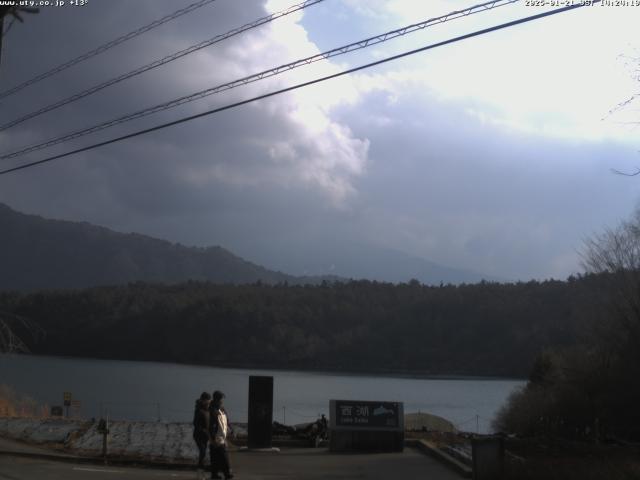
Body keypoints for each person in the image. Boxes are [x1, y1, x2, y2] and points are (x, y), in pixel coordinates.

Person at [209, 390, 233, 480]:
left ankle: (215, 475)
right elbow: (211, 424)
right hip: (216, 436)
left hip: (221, 435)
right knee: (223, 455)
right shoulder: (212, 409)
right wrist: (212, 436)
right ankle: (227, 474)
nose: (223, 401)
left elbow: (226, 420)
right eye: (222, 399)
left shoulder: (221, 408)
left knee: (216, 456)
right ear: (217, 399)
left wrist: (230, 429)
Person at [193, 392, 212, 479]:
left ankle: (200, 472)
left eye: (209, 400)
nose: (209, 402)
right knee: (203, 452)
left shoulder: (207, 410)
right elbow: (196, 424)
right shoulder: (199, 410)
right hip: (198, 435)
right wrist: (204, 431)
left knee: (203, 453)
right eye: (207, 400)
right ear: (203, 400)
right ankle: (199, 473)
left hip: (205, 436)